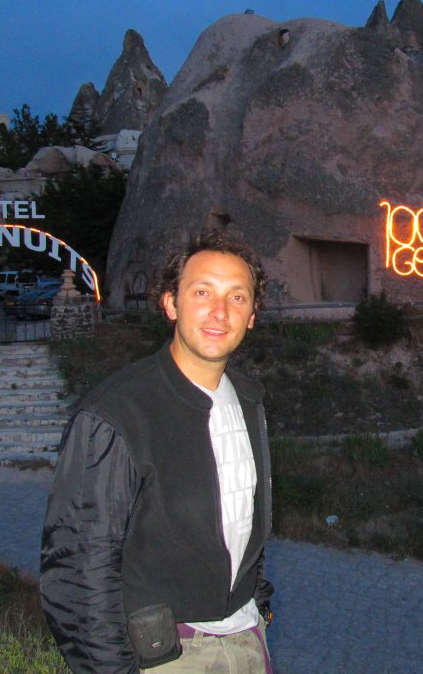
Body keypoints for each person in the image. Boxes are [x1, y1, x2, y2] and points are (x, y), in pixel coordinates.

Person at [40, 228, 274, 673]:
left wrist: (258, 602)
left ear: (251, 317)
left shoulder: (250, 401)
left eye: (237, 297)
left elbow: (244, 522)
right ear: (170, 303)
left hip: (246, 641)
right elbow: (76, 573)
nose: (220, 311)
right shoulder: (116, 414)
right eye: (202, 292)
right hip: (162, 655)